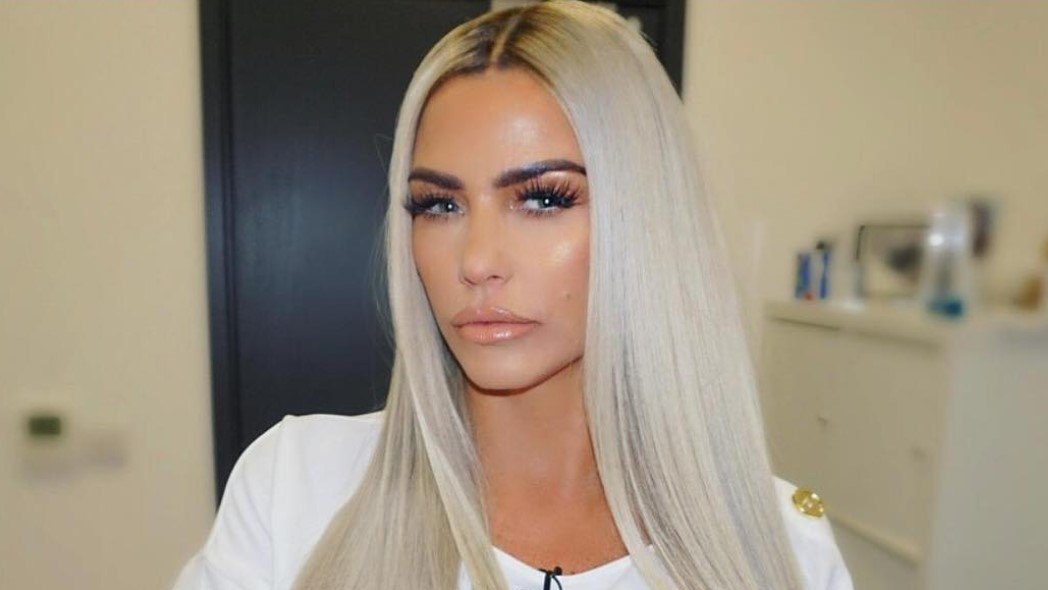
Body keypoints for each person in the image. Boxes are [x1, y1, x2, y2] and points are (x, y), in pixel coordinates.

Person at [172, 1, 854, 589]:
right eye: (439, 205)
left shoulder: (784, 549)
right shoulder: (295, 489)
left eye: (543, 199)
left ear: (648, 219)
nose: (477, 262)